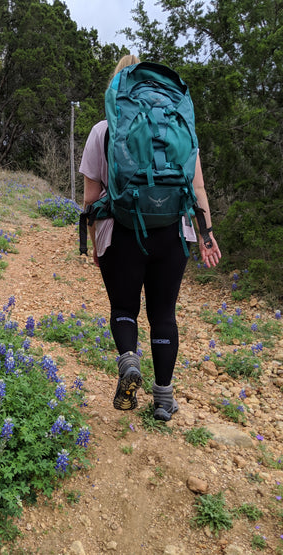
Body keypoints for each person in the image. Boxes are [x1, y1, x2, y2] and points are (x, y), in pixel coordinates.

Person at [79, 54, 221, 420]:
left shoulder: (103, 129)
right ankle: (163, 398)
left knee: (124, 308)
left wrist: (96, 241)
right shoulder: (179, 128)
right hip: (173, 232)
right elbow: (198, 187)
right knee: (164, 314)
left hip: (122, 231)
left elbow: (90, 199)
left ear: (117, 89)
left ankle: (129, 359)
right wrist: (206, 234)